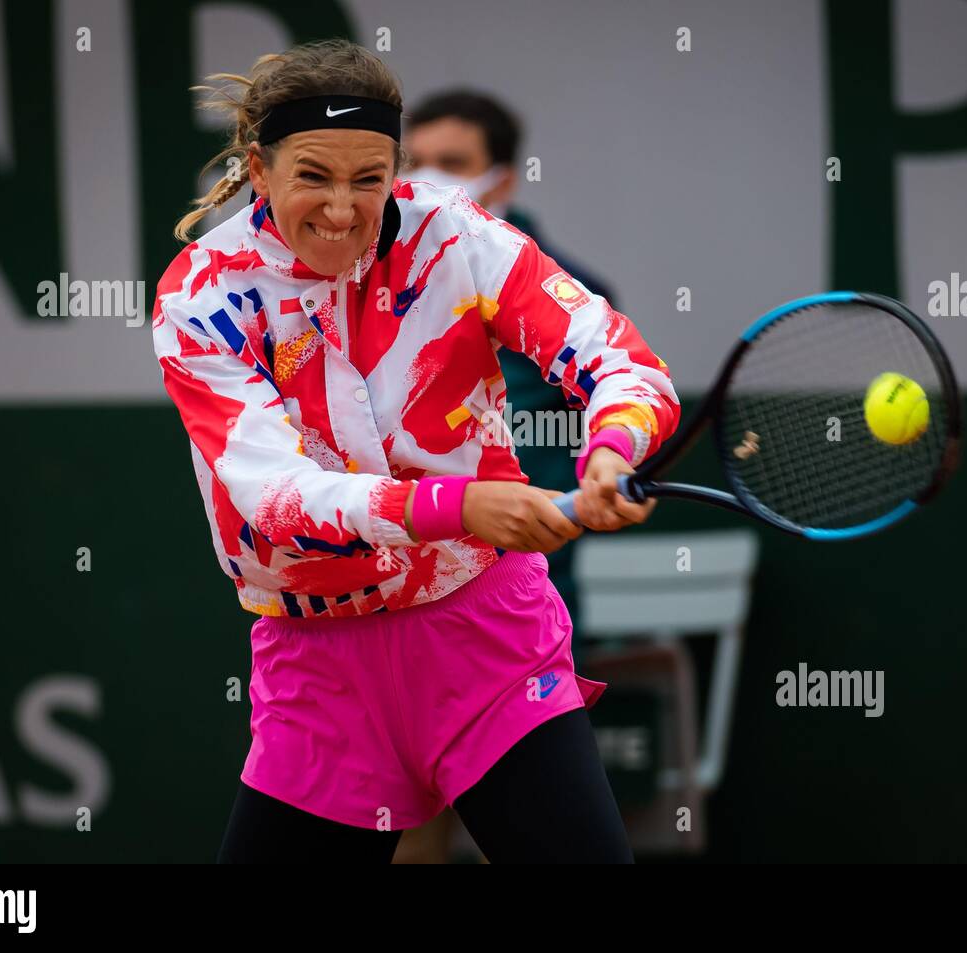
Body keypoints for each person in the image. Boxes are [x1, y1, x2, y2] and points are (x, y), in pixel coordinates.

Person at [151, 39, 679, 864]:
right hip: (318, 668)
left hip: (488, 639)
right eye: (314, 176)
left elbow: (619, 359)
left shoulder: (455, 235)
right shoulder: (203, 293)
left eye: (369, 178)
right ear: (260, 168)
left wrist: (612, 448)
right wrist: (459, 506)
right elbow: (274, 496)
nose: (341, 207)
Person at [403, 90, 617, 636]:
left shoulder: (571, 292)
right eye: (415, 161)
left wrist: (604, 462)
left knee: (538, 717)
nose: (429, 179)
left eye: (452, 164)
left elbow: (611, 402)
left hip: (529, 564)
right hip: (401, 565)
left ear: (501, 180)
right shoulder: (374, 279)